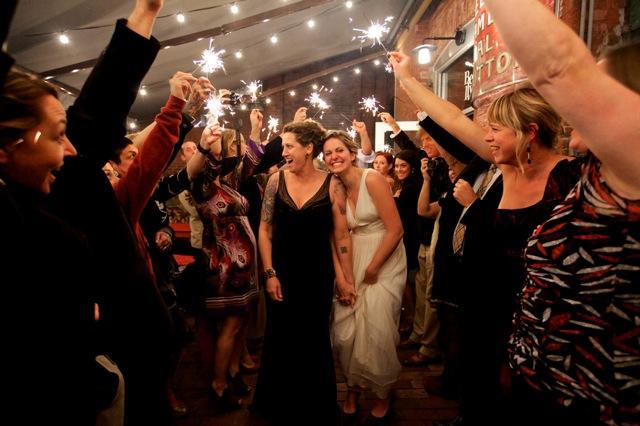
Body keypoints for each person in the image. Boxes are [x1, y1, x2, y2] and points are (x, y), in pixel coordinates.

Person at [483, 2, 640, 425]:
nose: (576, 103)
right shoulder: (598, 175)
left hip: (595, 396)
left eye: (600, 85)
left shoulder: (630, 175)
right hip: (545, 378)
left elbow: (558, 66)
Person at [253, 120, 355, 425]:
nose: (283, 152)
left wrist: (345, 278)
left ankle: (314, 407)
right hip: (281, 273)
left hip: (317, 275)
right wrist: (269, 273)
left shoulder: (332, 184)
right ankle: (278, 406)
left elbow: (341, 237)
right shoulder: (275, 182)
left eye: (288, 146)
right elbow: (265, 229)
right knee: (280, 337)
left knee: (313, 340)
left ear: (308, 149)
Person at [324, 130, 406, 423]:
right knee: (347, 331)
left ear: (351, 151)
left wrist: (373, 268)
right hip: (353, 255)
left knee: (376, 326)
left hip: (384, 255)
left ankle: (382, 394)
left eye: (339, 150)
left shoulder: (372, 179)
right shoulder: (335, 188)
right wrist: (345, 277)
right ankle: (353, 388)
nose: (334, 157)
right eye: (328, 153)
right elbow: (338, 235)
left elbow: (396, 229)